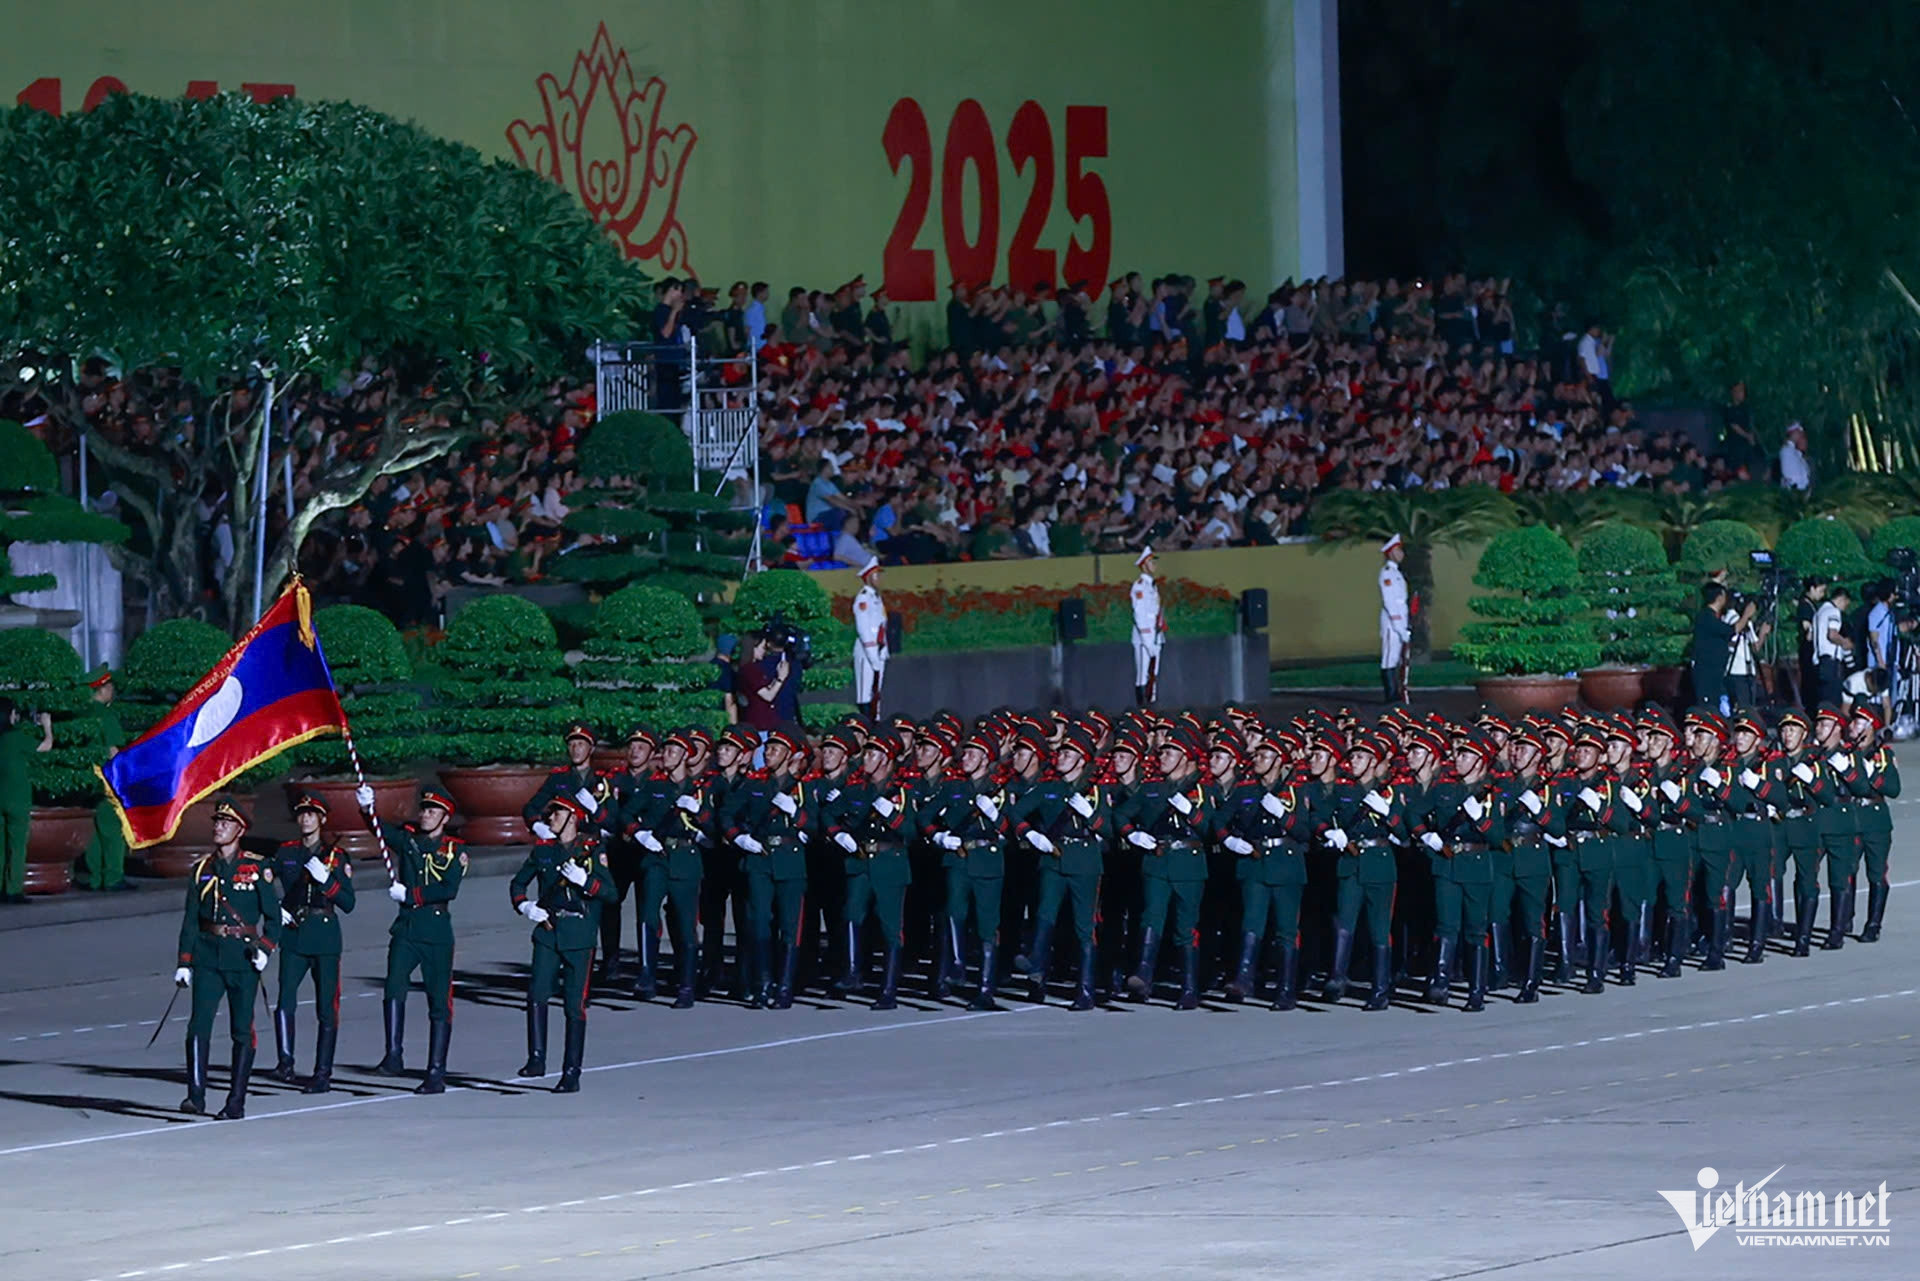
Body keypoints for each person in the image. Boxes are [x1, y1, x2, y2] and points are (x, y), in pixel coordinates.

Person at [173, 799, 277, 1119]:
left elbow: (273, 918)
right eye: (217, 821)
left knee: (241, 1030)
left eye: (226, 823)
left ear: (240, 830)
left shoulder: (256, 868)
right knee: (198, 1026)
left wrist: (265, 948)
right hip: (207, 956)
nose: (218, 827)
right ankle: (195, 1095)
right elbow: (191, 919)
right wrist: (184, 961)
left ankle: (236, 1101)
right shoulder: (202, 869)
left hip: (242, 957)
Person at [359, 784, 466, 1094]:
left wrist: (411, 895)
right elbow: (379, 831)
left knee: (438, 1001)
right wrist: (367, 808)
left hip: (435, 930)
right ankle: (393, 1055)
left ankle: (435, 1072)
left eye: (433, 811)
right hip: (406, 929)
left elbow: (448, 889)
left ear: (445, 817)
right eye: (424, 810)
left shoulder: (455, 850)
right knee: (394, 987)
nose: (426, 815)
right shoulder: (408, 840)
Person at [510, 795, 617, 1092]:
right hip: (548, 931)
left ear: (573, 817)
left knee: (574, 1005)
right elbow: (518, 883)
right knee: (536, 995)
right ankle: (536, 1058)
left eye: (556, 814)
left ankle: (571, 1073)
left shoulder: (592, 851)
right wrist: (525, 906)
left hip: (579, 935)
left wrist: (586, 882)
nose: (550, 818)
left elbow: (611, 894)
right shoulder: (544, 851)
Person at [1006, 727, 1109, 1010]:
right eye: (1061, 752)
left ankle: (1085, 990)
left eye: (1068, 754)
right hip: (1052, 857)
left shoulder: (1096, 792)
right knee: (1044, 915)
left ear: (1082, 760)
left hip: (1085, 862)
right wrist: (1031, 834)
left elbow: (1109, 829)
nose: (1060, 757)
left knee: (1084, 926)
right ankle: (1036, 974)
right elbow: (1015, 812)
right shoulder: (1048, 788)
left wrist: (1091, 816)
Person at [1213, 728, 1311, 1009]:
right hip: (1254, 862)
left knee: (1286, 929)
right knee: (1251, 922)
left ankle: (1286, 989)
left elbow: (1304, 832)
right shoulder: (1245, 790)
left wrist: (1283, 815)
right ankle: (1243, 978)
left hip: (1286, 863)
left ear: (1278, 760)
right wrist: (1229, 841)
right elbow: (1219, 820)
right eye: (1257, 755)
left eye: (1265, 756)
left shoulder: (1295, 791)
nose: (1258, 760)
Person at [1114, 730, 1213, 1009]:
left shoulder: (1201, 790)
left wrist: (1191, 811)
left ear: (1185, 757)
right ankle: (1143, 974)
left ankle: (1189, 989)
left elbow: (1211, 829)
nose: (1163, 757)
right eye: (1162, 752)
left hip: (1189, 863)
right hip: (1157, 861)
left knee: (1185, 926)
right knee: (1151, 917)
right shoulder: (1151, 788)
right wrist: (1132, 834)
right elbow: (1120, 814)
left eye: (1170, 753)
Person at [822, 732, 917, 1009]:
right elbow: (827, 814)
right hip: (860, 860)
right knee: (851, 914)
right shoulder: (856, 790)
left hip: (890, 863)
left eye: (873, 754)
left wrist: (893, 815)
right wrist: (838, 834)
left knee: (890, 927)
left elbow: (911, 831)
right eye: (866, 752)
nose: (866, 758)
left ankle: (888, 990)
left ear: (886, 759)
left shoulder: (902, 793)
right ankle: (852, 972)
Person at [268, 793, 354, 1093]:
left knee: (326, 1008)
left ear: (322, 819)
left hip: (324, 935)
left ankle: (322, 1074)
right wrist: (273, 908)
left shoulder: (336, 857)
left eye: (312, 814)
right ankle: (285, 1063)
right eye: (302, 813)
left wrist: (327, 882)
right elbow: (261, 878)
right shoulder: (286, 852)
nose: (305, 819)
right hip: (293, 933)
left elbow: (348, 903)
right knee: (284, 1001)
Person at [1847, 704, 1900, 943]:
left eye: (1858, 722)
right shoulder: (1845, 753)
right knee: (1846, 870)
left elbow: (1894, 789)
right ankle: (1844, 918)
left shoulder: (1883, 756)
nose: (1852, 726)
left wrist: (1873, 774)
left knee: (1876, 872)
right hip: (1850, 817)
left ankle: (1873, 924)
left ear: (1870, 727)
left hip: (1875, 818)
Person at [78, 667, 132, 892]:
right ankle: (112, 877)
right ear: (103, 689)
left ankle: (94, 877)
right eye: (110, 687)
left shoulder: (81, 714)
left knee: (93, 829)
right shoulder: (106, 716)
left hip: (85, 779)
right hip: (106, 778)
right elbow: (112, 751)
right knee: (112, 827)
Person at [0, 696, 53, 905]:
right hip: (17, 799)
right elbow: (46, 746)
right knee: (17, 845)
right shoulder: (16, 738)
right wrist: (47, 726)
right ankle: (12, 889)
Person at [524, 723, 610, 841]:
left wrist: (597, 811)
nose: (575, 749)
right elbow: (531, 807)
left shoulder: (602, 779)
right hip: (564, 842)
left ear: (591, 748)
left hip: (594, 842)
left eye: (580, 744)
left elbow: (613, 818)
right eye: (571, 745)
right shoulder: (558, 778)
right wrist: (537, 826)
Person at [1689, 584, 1739, 714]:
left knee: (1716, 702)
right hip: (1706, 670)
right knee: (1707, 705)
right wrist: (1747, 615)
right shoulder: (1706, 617)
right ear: (1719, 597)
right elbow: (1731, 630)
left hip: (1715, 670)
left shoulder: (1713, 616)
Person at [853, 557, 888, 719]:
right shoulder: (863, 598)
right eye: (875, 575)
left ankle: (876, 719)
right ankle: (866, 722)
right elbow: (863, 629)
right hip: (867, 650)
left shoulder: (876, 597)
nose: (879, 579)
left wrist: (883, 650)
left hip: (879, 648)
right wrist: (872, 654)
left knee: (876, 690)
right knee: (865, 691)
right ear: (868, 578)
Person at [1378, 534, 1412, 704]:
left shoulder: (1397, 573)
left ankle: (1396, 694)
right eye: (1398, 550)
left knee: (1397, 658)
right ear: (1390, 553)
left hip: (1400, 622)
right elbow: (1390, 603)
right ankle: (1390, 696)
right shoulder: (1387, 574)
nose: (1401, 554)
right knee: (1389, 658)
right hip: (1392, 623)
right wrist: (1400, 627)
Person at [1130, 547, 1165, 706]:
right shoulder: (1140, 586)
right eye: (1151, 562)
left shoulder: (1152, 585)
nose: (1154, 565)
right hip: (1144, 635)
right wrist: (1146, 638)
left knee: (1153, 673)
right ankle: (1142, 707)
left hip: (1155, 633)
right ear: (1143, 565)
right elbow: (1139, 614)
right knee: (1142, 674)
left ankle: (1151, 704)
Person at [1811, 583, 1853, 709]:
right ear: (1842, 599)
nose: (1845, 608)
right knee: (1833, 701)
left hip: (1818, 661)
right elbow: (1832, 635)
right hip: (1830, 662)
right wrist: (1845, 643)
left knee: (1823, 700)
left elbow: (1809, 636)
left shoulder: (1819, 612)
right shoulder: (1834, 611)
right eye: (1846, 604)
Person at [1779, 422, 1812, 491]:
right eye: (1799, 433)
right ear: (1794, 434)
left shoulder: (1795, 452)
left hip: (1802, 490)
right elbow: (1790, 477)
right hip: (1795, 491)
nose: (1801, 436)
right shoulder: (1787, 450)